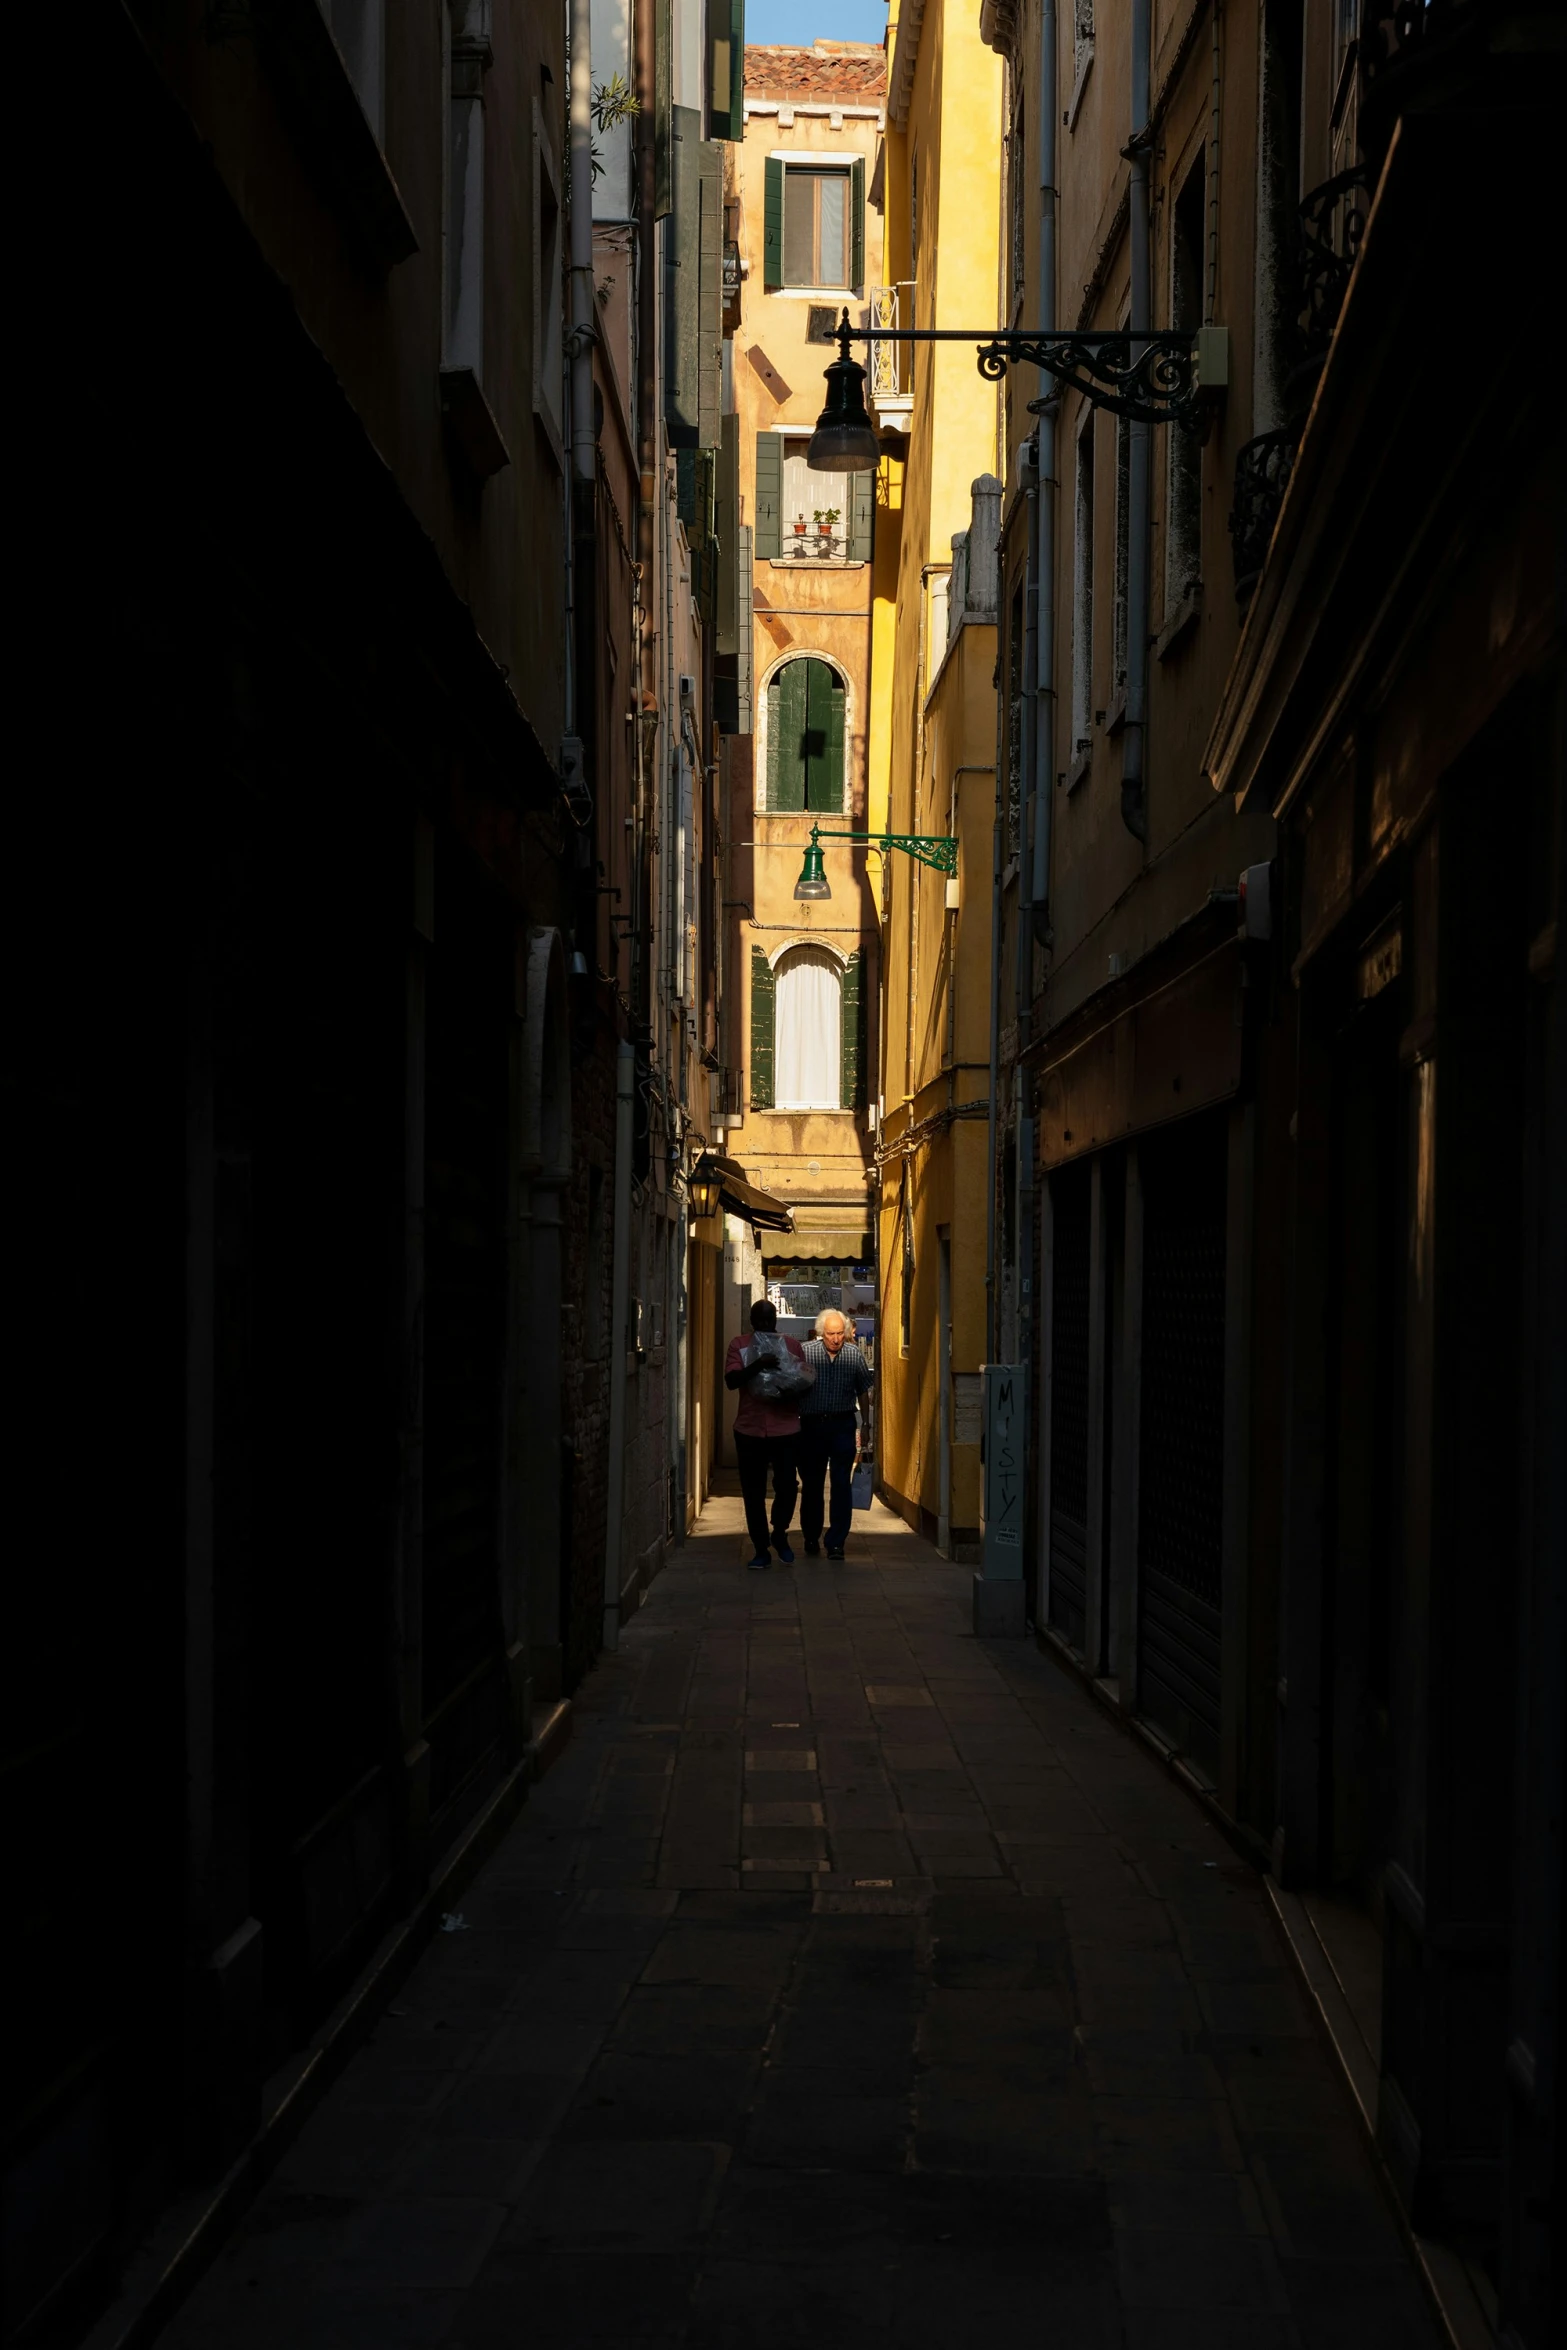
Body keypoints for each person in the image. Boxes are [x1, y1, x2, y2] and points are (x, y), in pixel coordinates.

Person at [724, 1300, 813, 1570]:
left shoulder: (792, 1346)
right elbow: (731, 1381)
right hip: (750, 1428)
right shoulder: (738, 1345)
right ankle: (761, 1547)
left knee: (787, 1485)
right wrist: (758, 1364)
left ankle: (780, 1531)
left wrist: (791, 1391)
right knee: (753, 1492)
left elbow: (806, 1383)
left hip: (785, 1427)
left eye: (768, 1321)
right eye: (759, 1321)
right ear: (751, 1321)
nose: (764, 1326)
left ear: (775, 1320)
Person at [798, 1307, 873, 1560]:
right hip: (812, 1425)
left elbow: (863, 1389)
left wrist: (866, 1424)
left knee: (841, 1484)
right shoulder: (806, 1352)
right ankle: (811, 1535)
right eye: (831, 1333)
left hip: (842, 1424)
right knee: (812, 1483)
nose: (836, 1339)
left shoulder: (853, 1355)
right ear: (821, 1333)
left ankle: (837, 1541)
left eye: (840, 1333)